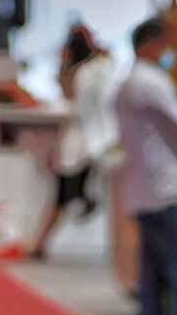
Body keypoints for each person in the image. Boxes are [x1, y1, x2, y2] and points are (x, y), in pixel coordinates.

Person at [116, 16, 177, 315]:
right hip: (167, 191)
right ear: (150, 45)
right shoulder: (152, 82)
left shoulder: (127, 83)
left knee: (153, 277)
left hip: (144, 191)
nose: (170, 50)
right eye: (165, 43)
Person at [29, 23, 116, 260]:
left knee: (64, 195)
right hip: (89, 141)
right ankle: (40, 242)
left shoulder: (84, 73)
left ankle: (40, 242)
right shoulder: (95, 69)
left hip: (82, 142)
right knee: (67, 193)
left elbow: (74, 104)